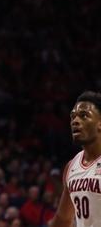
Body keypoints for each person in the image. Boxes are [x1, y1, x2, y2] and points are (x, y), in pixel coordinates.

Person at [51, 91, 101, 227]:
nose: (75, 121)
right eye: (73, 117)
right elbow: (63, 219)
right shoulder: (72, 166)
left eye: (84, 115)